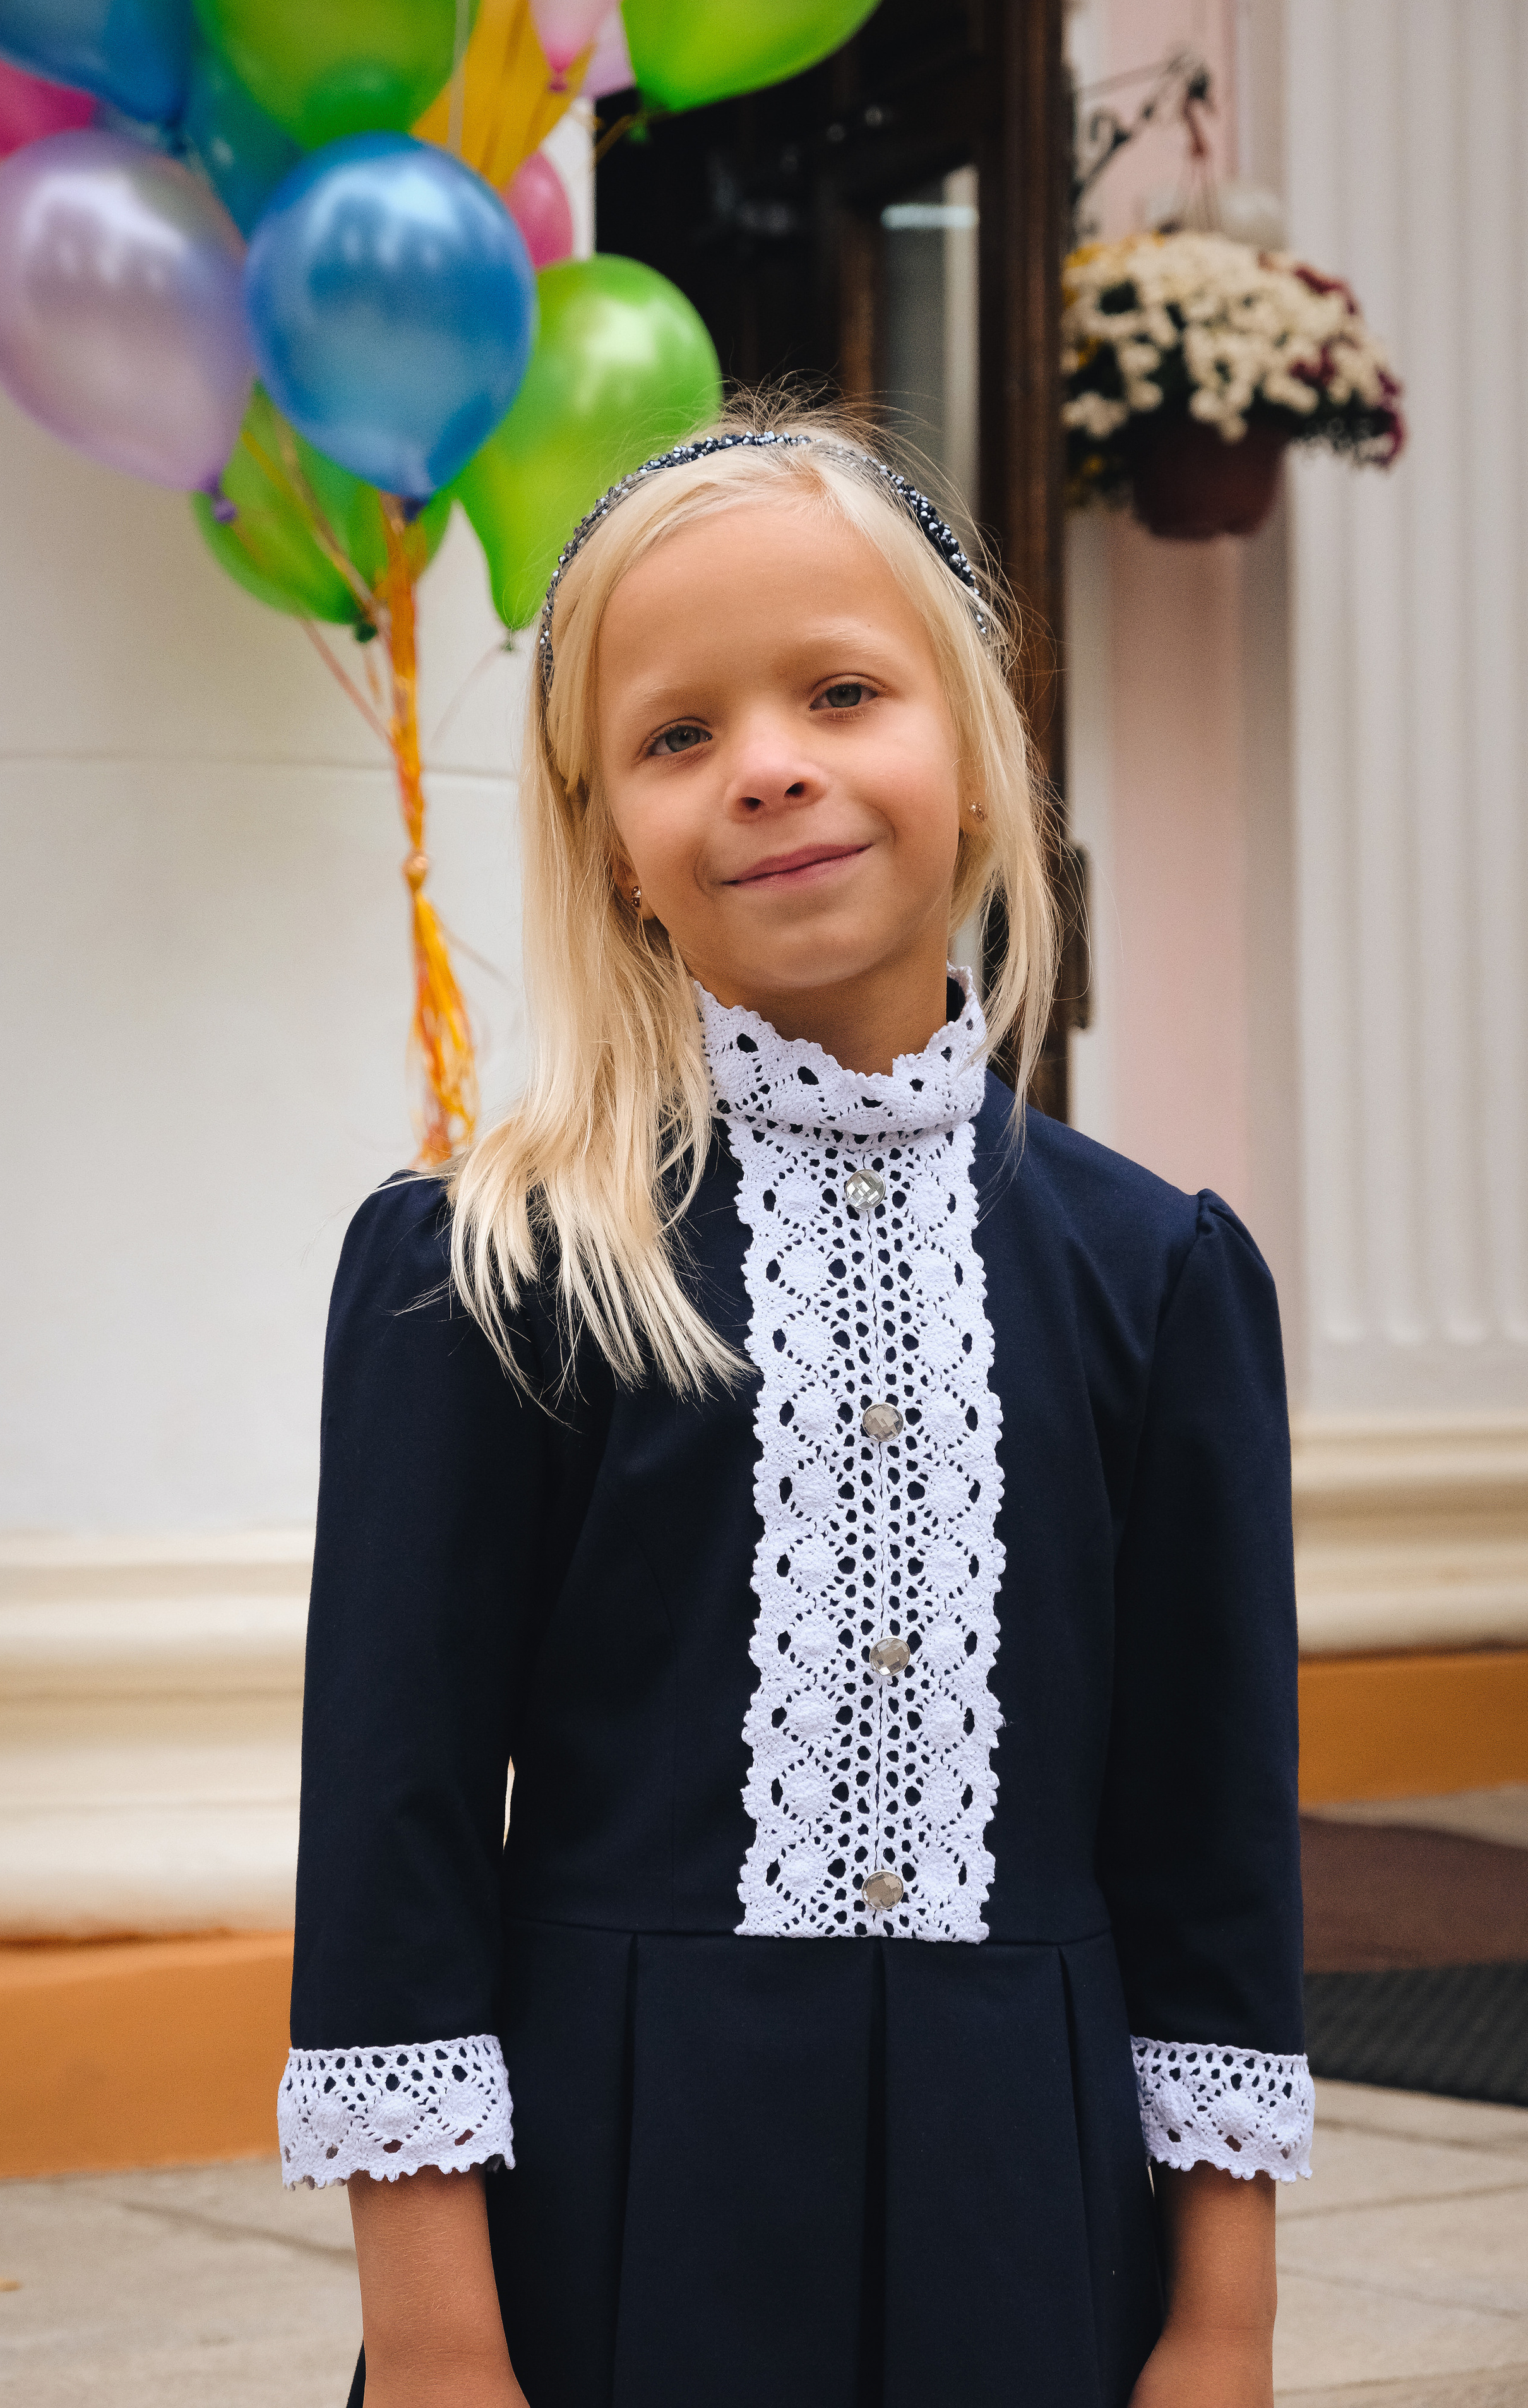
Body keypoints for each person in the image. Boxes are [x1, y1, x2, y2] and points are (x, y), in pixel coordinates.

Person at [280, 402, 1312, 2408]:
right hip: (613, 2213)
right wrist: (432, 2347)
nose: (769, 767)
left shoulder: (1162, 1277)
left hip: (1037, 2205)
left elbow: (1211, 1863)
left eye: (842, 691)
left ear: (982, 760)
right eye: (676, 738)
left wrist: (1222, 2323)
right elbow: (396, 1846)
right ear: (608, 847)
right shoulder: (479, 1269)